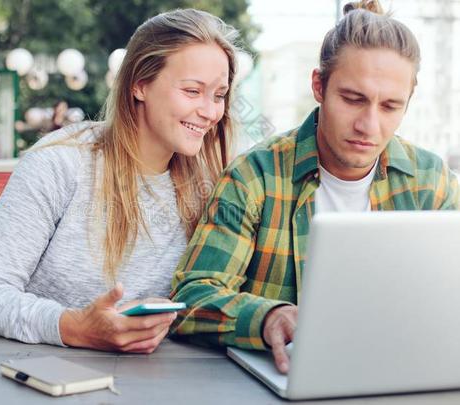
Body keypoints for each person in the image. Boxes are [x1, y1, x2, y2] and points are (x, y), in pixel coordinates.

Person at [170, 0, 459, 373]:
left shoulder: (431, 182)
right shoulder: (255, 176)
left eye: (390, 107)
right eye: (353, 100)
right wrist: (267, 317)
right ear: (318, 86)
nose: (369, 126)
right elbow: (192, 296)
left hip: (404, 374)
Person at [0, 9, 240, 353]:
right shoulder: (60, 164)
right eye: (193, 91)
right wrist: (74, 327)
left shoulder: (210, 187)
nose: (211, 112)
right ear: (140, 84)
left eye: (218, 95)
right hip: (44, 370)